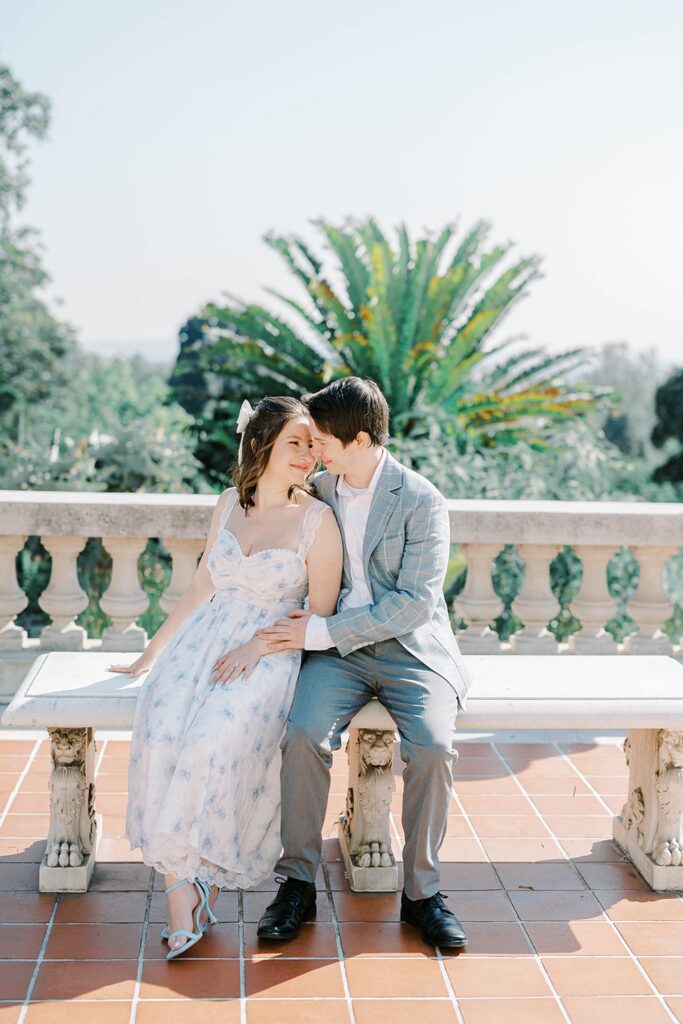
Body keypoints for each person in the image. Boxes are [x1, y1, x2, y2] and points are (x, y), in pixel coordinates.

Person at [108, 396, 343, 959]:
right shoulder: (226, 506)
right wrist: (151, 654)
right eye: (296, 442)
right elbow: (200, 587)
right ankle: (182, 888)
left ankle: (188, 892)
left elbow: (323, 613)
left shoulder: (318, 520)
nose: (308, 455)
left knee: (211, 738)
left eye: (313, 445)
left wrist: (255, 646)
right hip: (205, 641)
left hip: (272, 649)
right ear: (260, 444)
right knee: (163, 726)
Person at [256, 377, 473, 950]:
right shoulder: (319, 490)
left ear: (359, 439)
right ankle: (297, 882)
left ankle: (422, 894)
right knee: (301, 733)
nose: (314, 449)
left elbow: (416, 603)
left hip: (409, 651)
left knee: (432, 747)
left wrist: (323, 631)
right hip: (335, 654)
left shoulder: (422, 499)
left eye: (323, 439)